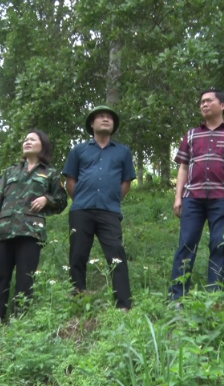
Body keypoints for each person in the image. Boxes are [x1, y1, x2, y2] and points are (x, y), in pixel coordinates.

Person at [169, 89, 224, 302]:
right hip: (193, 198)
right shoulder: (191, 135)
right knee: (186, 244)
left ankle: (214, 298)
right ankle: (177, 299)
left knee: (219, 244)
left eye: (209, 100)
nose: (204, 104)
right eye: (201, 102)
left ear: (222, 105)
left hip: (223, 197)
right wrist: (178, 197)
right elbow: (183, 167)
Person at [0, 129, 68, 328]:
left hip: (31, 230)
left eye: (32, 139)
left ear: (42, 145)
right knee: (1, 273)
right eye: (26, 139)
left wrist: (47, 199)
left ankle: (20, 318)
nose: (27, 142)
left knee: (25, 276)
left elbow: (62, 200)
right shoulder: (10, 171)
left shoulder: (51, 173)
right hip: (4, 229)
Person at [63, 106, 136, 311]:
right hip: (81, 210)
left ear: (113, 126)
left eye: (109, 118)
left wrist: (110, 200)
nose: (105, 120)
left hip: (110, 211)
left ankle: (123, 304)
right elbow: (70, 180)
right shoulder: (79, 150)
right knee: (77, 255)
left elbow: (126, 183)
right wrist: (81, 200)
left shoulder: (123, 151)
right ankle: (78, 298)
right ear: (92, 124)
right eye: (100, 117)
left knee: (116, 255)